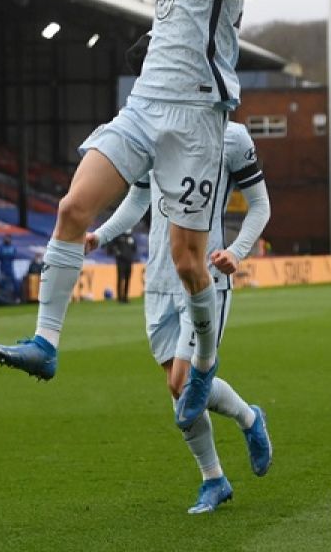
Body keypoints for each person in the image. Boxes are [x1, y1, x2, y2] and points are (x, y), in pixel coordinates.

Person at [0, 0, 259, 434]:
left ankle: (205, 363)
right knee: (71, 208)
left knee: (189, 263)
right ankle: (46, 341)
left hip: (195, 119)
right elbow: (181, 15)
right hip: (145, 105)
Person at [86, 120, 272, 513]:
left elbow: (260, 205)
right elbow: (139, 200)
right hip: (157, 281)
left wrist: (236, 251)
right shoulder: (153, 129)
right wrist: (100, 235)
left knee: (182, 381)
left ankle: (246, 423)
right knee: (177, 389)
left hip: (203, 278)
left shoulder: (232, 136)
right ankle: (217, 475)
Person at [107, 231, 138, 303]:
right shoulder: (118, 235)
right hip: (121, 261)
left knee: (128, 278)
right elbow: (111, 245)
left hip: (129, 261)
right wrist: (117, 253)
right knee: (120, 278)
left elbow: (134, 248)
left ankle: (125, 296)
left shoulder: (131, 237)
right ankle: (119, 297)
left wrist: (132, 254)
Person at [0, 235, 19, 300]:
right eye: (6, 238)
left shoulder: (12, 247)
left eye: (8, 238)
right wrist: (8, 256)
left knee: (15, 283)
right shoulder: (1, 247)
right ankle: (4, 298)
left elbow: (13, 256)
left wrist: (6, 256)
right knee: (2, 283)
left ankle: (16, 297)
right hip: (3, 269)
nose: (7, 240)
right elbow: (0, 256)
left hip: (10, 269)